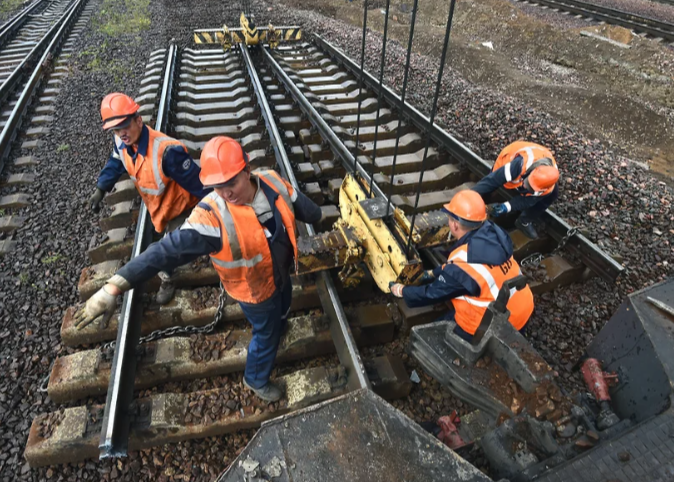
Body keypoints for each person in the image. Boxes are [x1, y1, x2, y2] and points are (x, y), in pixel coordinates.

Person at [76, 136, 322, 402]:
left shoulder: (273, 181)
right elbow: (163, 252)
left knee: (283, 306)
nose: (226, 193)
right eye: (218, 187)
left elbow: (307, 209)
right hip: (254, 291)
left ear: (247, 170)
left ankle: (280, 324)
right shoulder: (211, 219)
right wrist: (113, 287)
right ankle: (256, 379)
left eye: (232, 183)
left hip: (281, 273)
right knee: (266, 333)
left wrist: (319, 216)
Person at [89, 92, 211, 304]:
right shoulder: (121, 141)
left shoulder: (167, 152)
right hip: (158, 208)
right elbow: (116, 161)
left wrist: (217, 211)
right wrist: (101, 187)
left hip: (179, 209)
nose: (121, 133)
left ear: (138, 120)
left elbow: (198, 184)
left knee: (167, 248)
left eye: (124, 126)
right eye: (115, 129)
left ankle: (168, 278)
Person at [389, 190, 534, 342]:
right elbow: (460, 269)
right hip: (523, 307)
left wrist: (402, 291)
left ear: (455, 225)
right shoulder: (493, 235)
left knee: (429, 337)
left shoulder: (465, 266)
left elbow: (431, 293)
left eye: (449, 219)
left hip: (501, 326)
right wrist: (432, 273)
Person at [471, 141, 560, 239]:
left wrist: (505, 207)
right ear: (532, 172)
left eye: (530, 188)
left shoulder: (547, 187)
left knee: (553, 195)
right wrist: (470, 195)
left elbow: (527, 201)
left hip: (537, 165)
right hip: (510, 156)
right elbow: (492, 181)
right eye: (527, 183)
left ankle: (523, 221)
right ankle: (480, 203)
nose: (525, 186)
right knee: (489, 186)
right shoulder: (518, 165)